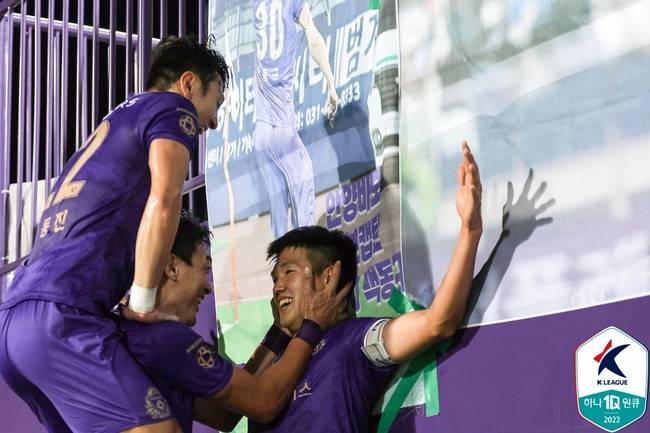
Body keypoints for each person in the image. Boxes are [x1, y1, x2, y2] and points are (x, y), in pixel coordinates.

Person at [0, 35, 230, 433]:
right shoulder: (173, 108)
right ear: (189, 84)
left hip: (13, 321)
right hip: (63, 314)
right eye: (217, 103)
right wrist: (142, 301)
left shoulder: (115, 122)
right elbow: (165, 198)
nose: (213, 121)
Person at [248, 142, 483, 433]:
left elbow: (437, 323)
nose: (278, 287)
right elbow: (224, 413)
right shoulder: (271, 365)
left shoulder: (354, 339)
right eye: (275, 279)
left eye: (288, 273)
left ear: (328, 277)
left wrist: (470, 231)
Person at [119, 213, 350, 433]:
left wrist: (278, 333)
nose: (208, 286)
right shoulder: (163, 339)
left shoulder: (130, 334)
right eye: (205, 269)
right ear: (172, 267)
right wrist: (312, 325)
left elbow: (224, 414)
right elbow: (263, 402)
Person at [252, 0, 339, 238]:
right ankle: (305, 251)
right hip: (283, 127)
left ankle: (281, 259)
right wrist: (331, 85)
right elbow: (314, 40)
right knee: (303, 197)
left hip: (261, 131)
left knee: (278, 215)